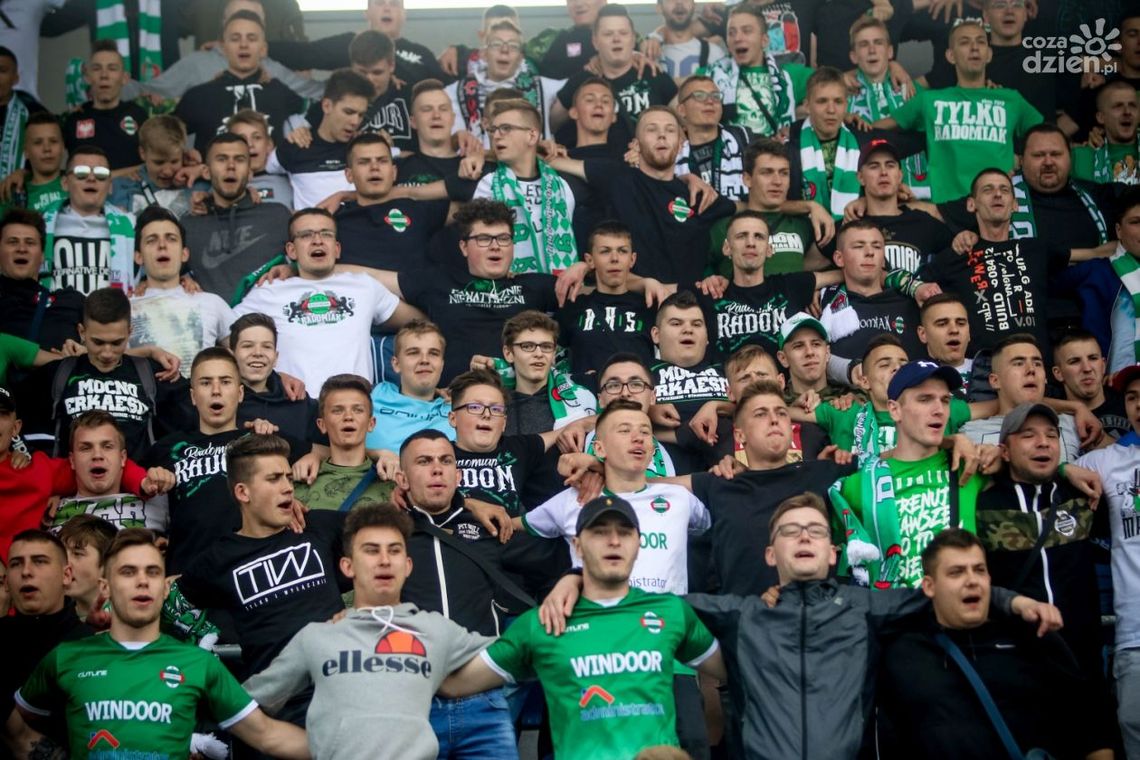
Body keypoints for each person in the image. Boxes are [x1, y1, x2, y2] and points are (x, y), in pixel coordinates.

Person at [683, 493, 1063, 760]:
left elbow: (945, 587)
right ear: (770, 553)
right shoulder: (742, 614)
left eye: (816, 530)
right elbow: (660, 608)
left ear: (834, 553)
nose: (803, 536)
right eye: (789, 531)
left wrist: (1015, 601)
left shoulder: (865, 607)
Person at [441, 493, 728, 760]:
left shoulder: (671, 611)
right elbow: (454, 684)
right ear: (577, 545)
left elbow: (739, 670)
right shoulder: (543, 622)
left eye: (625, 533)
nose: (614, 541)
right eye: (599, 532)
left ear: (639, 544)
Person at [8, 528, 312, 759]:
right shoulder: (66, 657)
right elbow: (24, 725)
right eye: (128, 572)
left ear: (165, 588)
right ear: (105, 586)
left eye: (152, 572)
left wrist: (350, 746)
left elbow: (267, 734)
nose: (142, 581)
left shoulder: (198, 663)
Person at [241, 503, 496, 760]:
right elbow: (242, 702)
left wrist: (538, 615)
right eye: (371, 551)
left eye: (394, 551)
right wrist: (317, 746)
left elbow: (514, 652)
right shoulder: (317, 637)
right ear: (347, 566)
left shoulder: (436, 629)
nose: (384, 560)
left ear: (407, 565)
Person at [874, 529, 1113, 759]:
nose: (972, 581)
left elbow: (1090, 724)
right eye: (956, 572)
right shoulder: (903, 653)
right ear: (929, 586)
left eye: (979, 570)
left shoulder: (1031, 636)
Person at [976, 402, 1107, 681]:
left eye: (1051, 435)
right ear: (1005, 451)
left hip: (1081, 662)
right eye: (1028, 435)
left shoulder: (1083, 496)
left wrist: (1065, 470)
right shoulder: (982, 505)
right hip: (1012, 664)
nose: (1043, 443)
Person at [146, 347, 305, 573]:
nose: (216, 391)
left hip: (254, 566)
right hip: (188, 573)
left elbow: (322, 450)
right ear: (192, 395)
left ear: (240, 393)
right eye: (205, 382)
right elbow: (134, 483)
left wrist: (292, 496)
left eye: (226, 381)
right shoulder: (167, 448)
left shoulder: (260, 440)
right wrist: (149, 480)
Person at [919, 168, 1107, 359]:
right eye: (988, 190)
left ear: (1015, 205)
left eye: (1005, 190)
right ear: (970, 204)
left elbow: (1094, 253)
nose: (998, 194)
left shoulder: (1036, 249)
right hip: (984, 372)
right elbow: (915, 284)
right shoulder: (957, 254)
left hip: (1037, 367)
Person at [831, 360, 986, 588]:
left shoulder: (970, 465)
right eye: (924, 399)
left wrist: (995, 452)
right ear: (895, 410)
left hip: (954, 613)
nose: (939, 410)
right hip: (892, 615)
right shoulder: (860, 484)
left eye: (945, 400)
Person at [232, 207, 422, 392]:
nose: (317, 241)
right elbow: (226, 334)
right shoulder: (269, 290)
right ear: (291, 250)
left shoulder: (364, 286)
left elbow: (419, 323)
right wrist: (273, 375)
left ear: (337, 248)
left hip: (353, 409)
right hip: (293, 405)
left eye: (326, 234)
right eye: (306, 235)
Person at [548, 107, 737, 289]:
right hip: (632, 302)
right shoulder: (616, 177)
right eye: (652, 129)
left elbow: (749, 206)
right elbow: (549, 160)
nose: (661, 135)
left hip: (684, 308)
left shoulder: (696, 195)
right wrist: (544, 145)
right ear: (636, 145)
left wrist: (687, 178)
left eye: (670, 130)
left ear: (680, 144)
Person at [378, 200, 559, 385]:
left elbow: (585, 291)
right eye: (484, 239)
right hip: (453, 396)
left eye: (503, 238)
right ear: (464, 247)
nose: (495, 246)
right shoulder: (439, 280)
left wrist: (583, 266)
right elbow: (365, 279)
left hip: (515, 393)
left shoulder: (536, 285)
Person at [872, 18, 1042, 204]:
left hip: (998, 207)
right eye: (965, 42)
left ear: (989, 54)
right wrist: (848, 119)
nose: (974, 48)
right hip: (946, 211)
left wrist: (1022, 159)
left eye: (980, 42)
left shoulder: (1011, 99)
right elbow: (877, 128)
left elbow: (1046, 139)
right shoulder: (930, 100)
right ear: (951, 56)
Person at [17, 287, 189, 460]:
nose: (107, 353)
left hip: (139, 483)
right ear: (81, 332)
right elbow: (11, 419)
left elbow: (192, 429)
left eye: (116, 343)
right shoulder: (57, 374)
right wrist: (26, 455)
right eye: (98, 342)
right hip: (72, 484)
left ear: (130, 332)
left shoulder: (152, 374)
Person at [1075, 364, 1140, 758]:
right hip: (1135, 639)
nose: (1138, 405)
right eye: (1131, 398)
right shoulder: (1107, 461)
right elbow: (1035, 468)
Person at [705, 210, 840, 360]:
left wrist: (820, 290)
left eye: (759, 237)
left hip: (782, 382)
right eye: (741, 236)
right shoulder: (711, 292)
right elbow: (673, 292)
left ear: (769, 249)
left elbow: (848, 274)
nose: (750, 243)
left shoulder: (790, 286)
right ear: (726, 248)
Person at [0, 529, 91, 746]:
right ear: (5, 582)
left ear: (66, 575)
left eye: (40, 561)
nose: (26, 572)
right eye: (16, 564)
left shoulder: (90, 646)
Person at [174, 10, 306, 154]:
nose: (243, 44)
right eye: (235, 39)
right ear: (223, 48)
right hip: (211, 176)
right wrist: (186, 158)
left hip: (270, 175)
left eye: (252, 38)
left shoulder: (280, 93)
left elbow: (319, 114)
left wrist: (302, 130)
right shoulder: (198, 96)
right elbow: (164, 136)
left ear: (263, 49)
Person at [471, 99, 579, 275]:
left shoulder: (561, 186)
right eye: (493, 130)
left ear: (532, 136)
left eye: (506, 128)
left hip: (555, 293)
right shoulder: (488, 184)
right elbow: (479, 243)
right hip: (509, 292)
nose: (496, 136)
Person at [183, 132, 292, 304]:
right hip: (213, 327)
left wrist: (292, 270)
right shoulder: (187, 225)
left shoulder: (278, 216)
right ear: (206, 171)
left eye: (239, 159)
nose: (231, 166)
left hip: (269, 322)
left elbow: (309, 265)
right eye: (221, 159)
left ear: (250, 172)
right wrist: (181, 280)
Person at [129, 206, 235, 376]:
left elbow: (245, 354)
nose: (162, 246)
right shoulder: (122, 307)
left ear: (184, 254)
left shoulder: (212, 302)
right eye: (151, 240)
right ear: (138, 257)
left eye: (171, 239)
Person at [552, 5, 678, 145]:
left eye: (623, 33)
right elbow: (551, 123)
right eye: (608, 34)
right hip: (596, 163)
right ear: (595, 42)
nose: (616, 39)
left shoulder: (654, 75)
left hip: (646, 164)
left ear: (633, 39)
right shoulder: (581, 82)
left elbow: (683, 119)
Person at [818, 220, 924, 383]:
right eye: (859, 246)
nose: (869, 253)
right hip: (843, 399)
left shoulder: (910, 304)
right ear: (839, 258)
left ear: (883, 258)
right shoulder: (822, 302)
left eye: (876, 246)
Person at [959, 334, 1088, 460]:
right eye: (1018, 363)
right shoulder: (968, 434)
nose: (1031, 369)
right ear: (995, 381)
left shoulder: (1076, 425)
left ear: (1045, 378)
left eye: (1037, 364)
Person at [556, 220, 657, 374]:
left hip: (637, 394)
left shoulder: (649, 306)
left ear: (632, 259)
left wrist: (647, 282)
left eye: (622, 251)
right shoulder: (574, 306)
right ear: (590, 260)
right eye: (605, 251)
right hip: (587, 396)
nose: (614, 258)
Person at [846, 18, 931, 199]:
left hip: (917, 192)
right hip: (863, 197)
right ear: (853, 56)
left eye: (878, 42)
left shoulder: (915, 90)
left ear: (890, 51)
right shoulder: (842, 97)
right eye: (864, 44)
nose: (872, 50)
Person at [446, 18, 564, 145]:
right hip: (476, 163)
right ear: (484, 53)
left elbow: (579, 85)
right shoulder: (453, 93)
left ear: (521, 57)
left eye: (513, 46)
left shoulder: (543, 87)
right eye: (496, 44)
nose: (505, 50)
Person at [46, 411, 168, 533]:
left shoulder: (158, 497)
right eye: (86, 448)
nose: (97, 455)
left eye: (107, 446)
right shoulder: (48, 511)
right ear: (72, 461)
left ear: (122, 458)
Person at [268, 69, 373, 209]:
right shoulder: (296, 145)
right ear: (327, 106)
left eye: (361, 115)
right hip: (313, 230)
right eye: (349, 112)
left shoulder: (365, 148)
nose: (355, 121)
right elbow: (261, 171)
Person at [697, 3, 807, 138]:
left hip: (776, 155)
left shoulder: (788, 74)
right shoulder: (710, 75)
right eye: (731, 33)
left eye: (746, 31)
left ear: (764, 40)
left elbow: (833, 88)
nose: (737, 38)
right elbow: (678, 108)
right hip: (731, 157)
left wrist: (805, 117)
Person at [40, 145, 135, 296]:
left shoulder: (131, 224)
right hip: (56, 317)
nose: (91, 178)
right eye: (81, 172)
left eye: (101, 174)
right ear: (65, 183)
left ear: (110, 186)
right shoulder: (40, 224)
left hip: (110, 316)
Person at [292, 374, 396, 510]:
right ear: (322, 425)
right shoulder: (299, 481)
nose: (348, 417)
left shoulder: (394, 481)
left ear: (371, 423)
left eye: (358, 410)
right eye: (337, 410)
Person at [852, 138, 951, 272]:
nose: (883, 172)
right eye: (874, 166)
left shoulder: (923, 222)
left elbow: (961, 251)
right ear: (860, 178)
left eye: (890, 165)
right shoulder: (850, 224)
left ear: (900, 175)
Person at [737, 139, 826, 274]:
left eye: (784, 173)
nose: (777, 181)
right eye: (767, 172)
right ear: (747, 179)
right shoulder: (725, 226)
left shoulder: (804, 225)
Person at [229, 313, 320, 444]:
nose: (258, 353)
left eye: (266, 346)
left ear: (276, 358)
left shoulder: (299, 400)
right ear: (231, 356)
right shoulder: (216, 401)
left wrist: (315, 455)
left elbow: (330, 448)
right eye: (248, 346)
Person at [366, 320, 454, 452]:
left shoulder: (459, 408)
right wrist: (376, 455)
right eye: (413, 353)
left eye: (433, 353)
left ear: (442, 364)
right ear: (396, 364)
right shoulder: (372, 395)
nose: (424, 360)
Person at [62, 41, 148, 172]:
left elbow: (157, 163)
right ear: (87, 77)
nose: (104, 75)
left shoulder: (140, 115)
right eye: (97, 69)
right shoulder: (73, 120)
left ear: (125, 78)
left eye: (112, 68)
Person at [673, 75, 749, 201]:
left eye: (716, 96)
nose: (710, 101)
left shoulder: (743, 137)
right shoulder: (670, 152)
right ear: (682, 110)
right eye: (699, 96)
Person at [109, 115, 193, 217]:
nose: (167, 171)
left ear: (183, 154)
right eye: (159, 162)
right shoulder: (122, 188)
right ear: (142, 153)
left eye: (174, 161)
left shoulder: (197, 183)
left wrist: (201, 169)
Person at [1053, 330, 1131, 440]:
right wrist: (1077, 408)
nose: (1087, 368)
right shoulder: (1051, 411)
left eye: (1093, 358)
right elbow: (1022, 403)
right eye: (1075, 361)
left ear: (1103, 365)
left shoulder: (1128, 400)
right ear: (1058, 373)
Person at [348, 30, 416, 153]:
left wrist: (392, 152)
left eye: (377, 72)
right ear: (352, 67)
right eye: (362, 72)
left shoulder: (413, 98)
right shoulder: (337, 99)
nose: (369, 80)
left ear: (392, 66)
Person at [1072, 79, 1140, 185]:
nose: (1127, 112)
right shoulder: (1080, 158)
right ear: (1101, 117)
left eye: (1132, 105)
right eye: (1118, 106)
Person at [776, 312, 852, 405]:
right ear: (783, 358)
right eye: (798, 346)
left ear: (827, 353)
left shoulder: (851, 397)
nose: (809, 352)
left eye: (816, 344)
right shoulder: (775, 404)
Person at [0, 112, 66, 216]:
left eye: (53, 141)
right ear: (26, 152)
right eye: (38, 142)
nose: (47, 149)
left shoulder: (82, 184)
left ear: (63, 147)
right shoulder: (10, 195)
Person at [228, 108, 295, 207]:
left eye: (257, 137)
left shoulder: (293, 180)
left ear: (269, 145)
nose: (250, 144)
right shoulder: (222, 187)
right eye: (242, 139)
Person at [57, 513, 117, 623]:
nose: (64, 563)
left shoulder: (128, 614)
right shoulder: (55, 617)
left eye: (77, 553)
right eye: (61, 553)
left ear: (107, 564)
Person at [0, 46, 46, 180]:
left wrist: (26, 172)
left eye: (2, 71)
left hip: (20, 192)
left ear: (16, 78)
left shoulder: (33, 112)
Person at [656, 0, 726, 79]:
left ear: (694, 6)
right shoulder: (648, 55)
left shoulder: (714, 53)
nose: (679, 2)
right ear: (659, 7)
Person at [917, 292, 972, 390]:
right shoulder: (914, 379)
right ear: (923, 334)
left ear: (969, 333)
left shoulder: (992, 369)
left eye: (961, 323)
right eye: (942, 324)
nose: (954, 330)